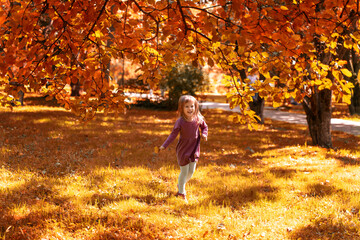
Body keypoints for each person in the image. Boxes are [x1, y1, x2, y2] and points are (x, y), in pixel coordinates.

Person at [159, 95, 208, 201]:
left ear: (195, 107)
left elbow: (204, 127)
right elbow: (173, 135)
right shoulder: (180, 122)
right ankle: (181, 192)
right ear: (182, 108)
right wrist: (164, 145)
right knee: (184, 171)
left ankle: (180, 185)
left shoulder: (198, 119)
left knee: (191, 171)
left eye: (192, 106)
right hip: (183, 149)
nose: (190, 109)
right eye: (187, 107)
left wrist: (204, 134)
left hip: (194, 148)